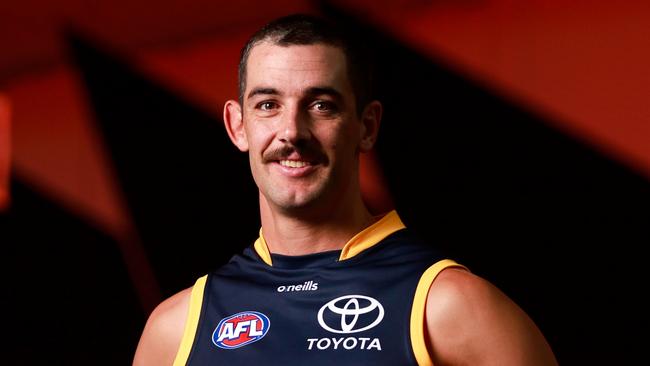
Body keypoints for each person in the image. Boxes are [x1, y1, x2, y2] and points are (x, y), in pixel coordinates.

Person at [133, 14, 557, 366]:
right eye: (268, 105)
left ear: (367, 126)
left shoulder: (449, 306)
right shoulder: (176, 328)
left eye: (322, 105)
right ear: (237, 125)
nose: (292, 132)